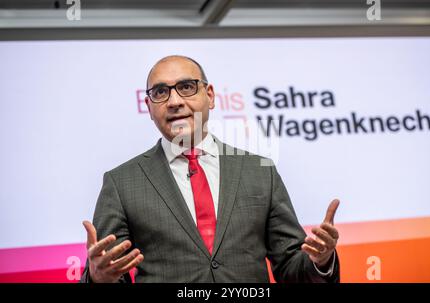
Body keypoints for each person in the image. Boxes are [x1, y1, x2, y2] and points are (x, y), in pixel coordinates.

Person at [80, 55, 341, 283]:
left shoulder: (260, 171)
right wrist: (98, 278)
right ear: (148, 107)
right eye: (160, 92)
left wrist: (320, 261)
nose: (173, 101)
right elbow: (111, 270)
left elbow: (290, 268)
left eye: (186, 87)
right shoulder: (121, 182)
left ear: (210, 96)